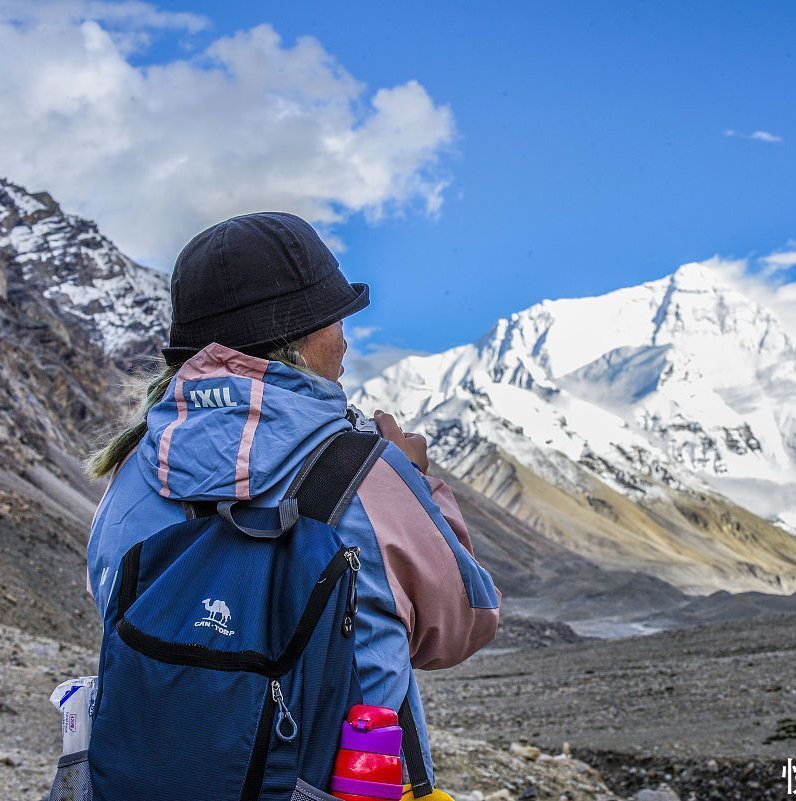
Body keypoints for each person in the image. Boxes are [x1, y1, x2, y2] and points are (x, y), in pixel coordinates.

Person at [85, 212, 500, 796]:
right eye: (332, 320)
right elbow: (462, 625)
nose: (345, 338)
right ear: (298, 345)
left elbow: (108, 600)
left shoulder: (132, 471)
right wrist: (414, 481)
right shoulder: (368, 475)